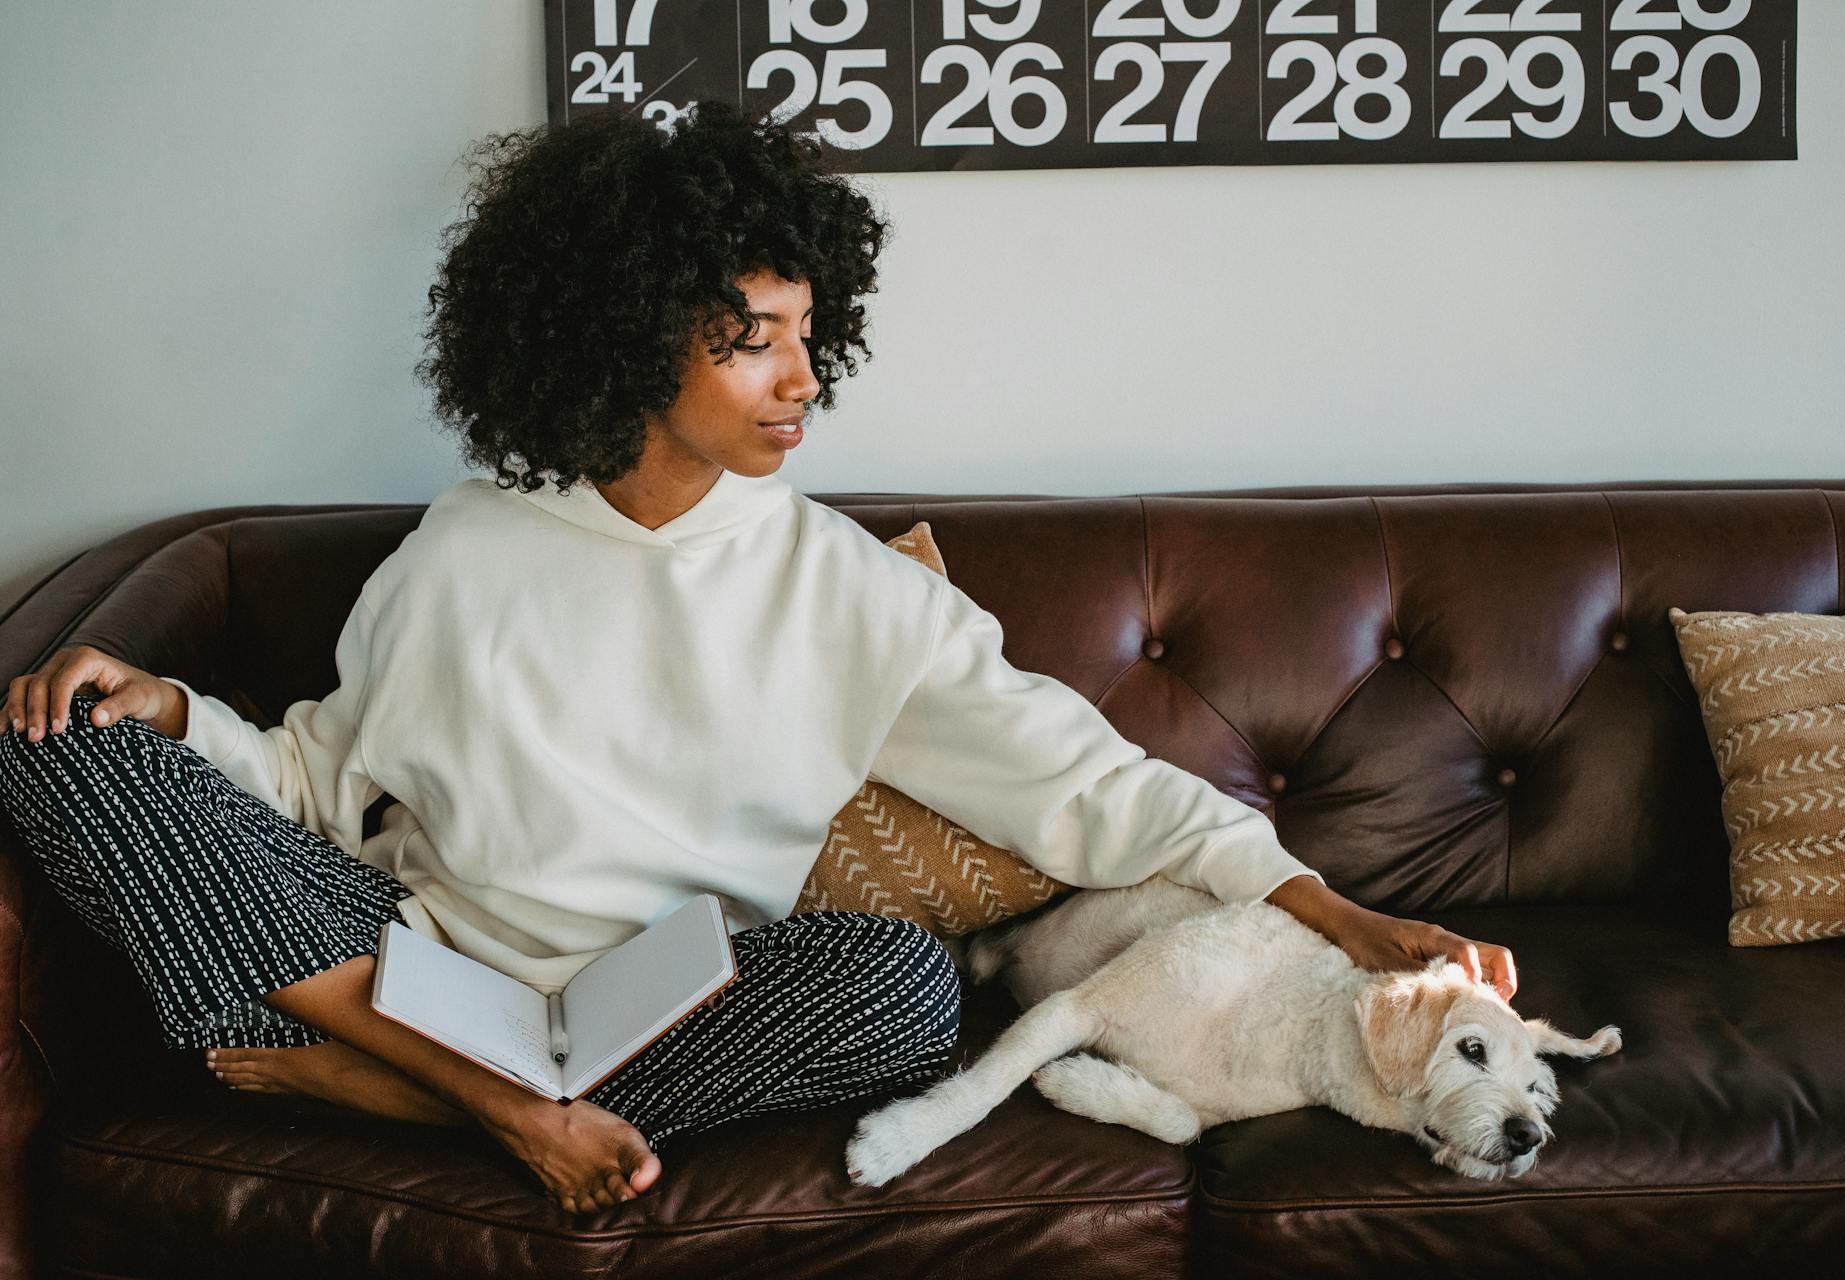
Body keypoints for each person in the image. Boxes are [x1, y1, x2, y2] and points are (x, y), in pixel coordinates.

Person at [0, 100, 1516, 1215]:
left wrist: (1334, 908)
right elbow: (318, 787)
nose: (803, 381)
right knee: (50, 744)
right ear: (620, 344)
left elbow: (1089, 787)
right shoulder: (470, 548)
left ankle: (413, 1095)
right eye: (751, 340)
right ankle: (481, 1098)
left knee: (905, 991)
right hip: (410, 970)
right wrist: (170, 711)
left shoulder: (846, 592)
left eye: (807, 333)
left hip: (665, 1010)